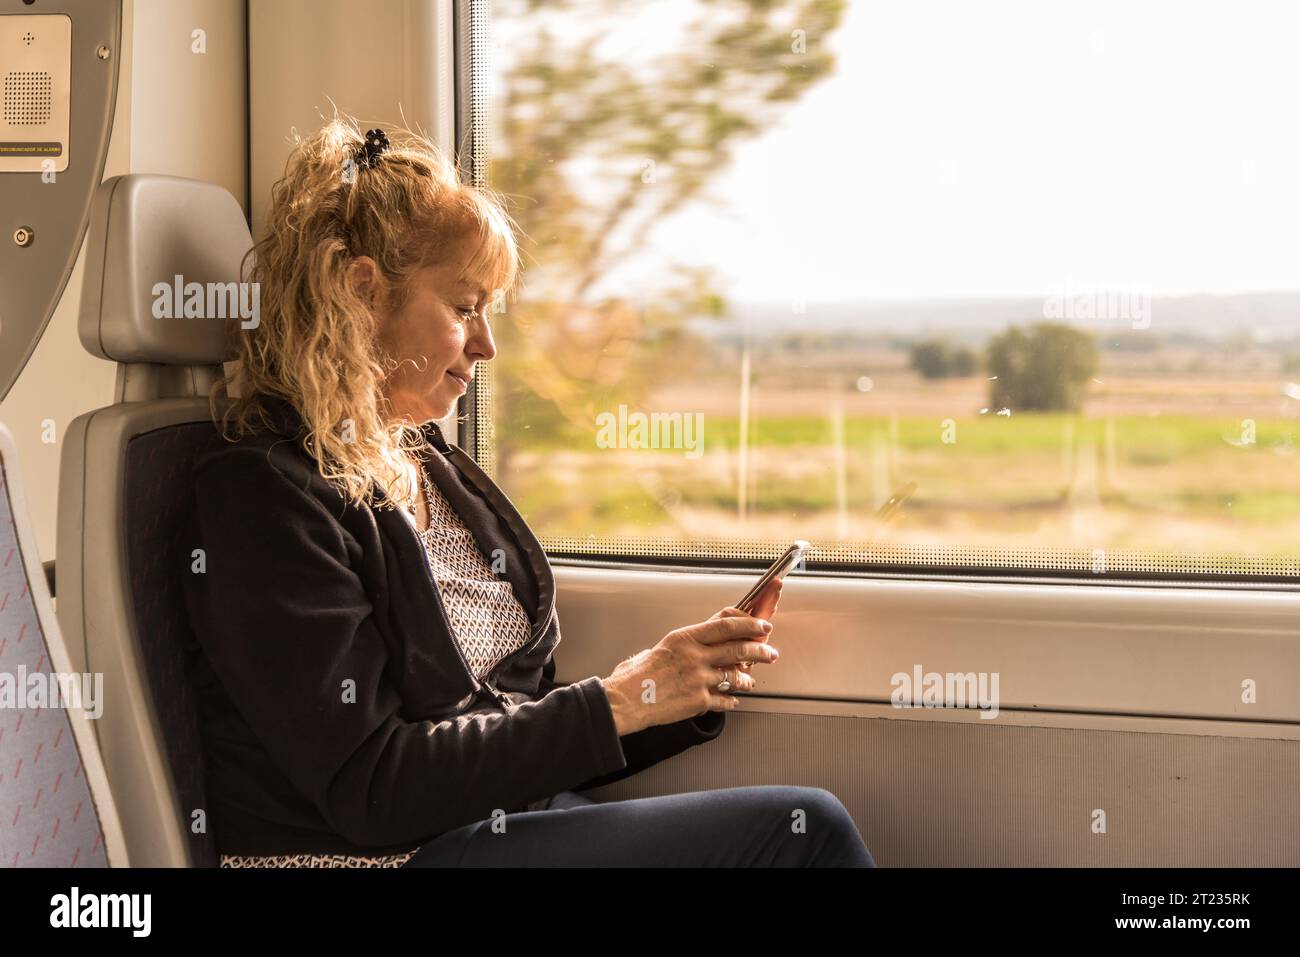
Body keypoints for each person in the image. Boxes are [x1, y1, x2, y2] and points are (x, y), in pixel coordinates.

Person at [183, 117, 875, 868]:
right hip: (380, 855)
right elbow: (371, 784)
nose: (486, 343)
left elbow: (510, 733)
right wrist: (618, 698)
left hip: (489, 827)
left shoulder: (431, 468)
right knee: (808, 832)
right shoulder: (262, 497)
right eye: (461, 307)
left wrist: (669, 694)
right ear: (363, 295)